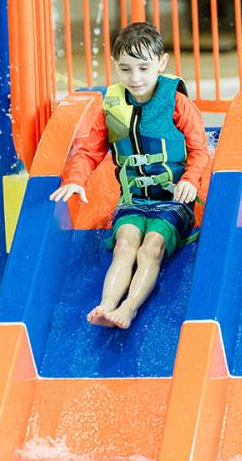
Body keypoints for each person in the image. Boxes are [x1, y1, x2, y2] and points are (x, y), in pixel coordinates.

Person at [49, 22, 210, 329]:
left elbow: (199, 149)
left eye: (143, 68)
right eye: (125, 69)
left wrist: (190, 179)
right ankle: (106, 306)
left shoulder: (177, 103)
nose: (135, 78)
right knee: (125, 245)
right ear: (115, 66)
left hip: (173, 201)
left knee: (151, 247)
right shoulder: (112, 105)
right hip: (133, 200)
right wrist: (75, 179)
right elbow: (89, 150)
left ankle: (129, 307)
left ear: (161, 63)